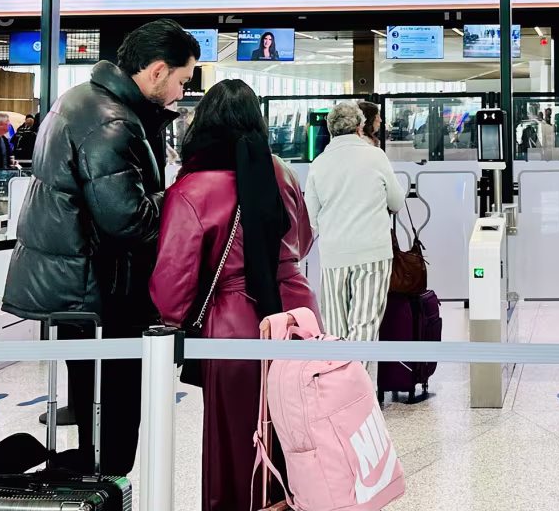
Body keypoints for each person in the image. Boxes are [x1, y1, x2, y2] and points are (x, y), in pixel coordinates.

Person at [2, 19, 199, 475]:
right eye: (181, 80)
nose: (180, 93)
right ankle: (107, 492)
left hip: (80, 287)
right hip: (104, 294)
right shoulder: (111, 122)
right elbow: (127, 218)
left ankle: (98, 487)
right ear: (155, 71)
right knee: (114, 423)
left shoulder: (81, 100)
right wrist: (182, 196)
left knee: (95, 412)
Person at [151, 79, 316, 511]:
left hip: (235, 325)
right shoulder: (281, 171)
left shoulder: (191, 189)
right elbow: (303, 239)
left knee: (237, 443)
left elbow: (172, 289)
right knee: (299, 437)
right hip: (298, 315)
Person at [303, 101, 405, 372]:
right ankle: (355, 389)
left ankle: (339, 387)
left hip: (335, 253)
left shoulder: (319, 164)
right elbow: (396, 201)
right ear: (361, 127)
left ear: (330, 130)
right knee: (365, 323)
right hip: (373, 251)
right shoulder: (376, 156)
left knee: (336, 327)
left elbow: (310, 217)